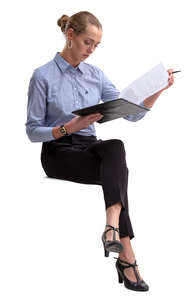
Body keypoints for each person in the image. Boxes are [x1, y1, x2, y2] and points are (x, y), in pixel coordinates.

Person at [25, 11, 174, 292]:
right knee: (119, 175)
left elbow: (130, 115)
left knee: (116, 147)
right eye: (87, 42)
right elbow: (33, 130)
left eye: (96, 45)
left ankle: (111, 226)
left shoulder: (95, 75)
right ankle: (127, 258)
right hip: (58, 153)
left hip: (90, 147)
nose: (91, 50)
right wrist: (69, 127)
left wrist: (157, 91)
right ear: (70, 36)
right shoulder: (42, 75)